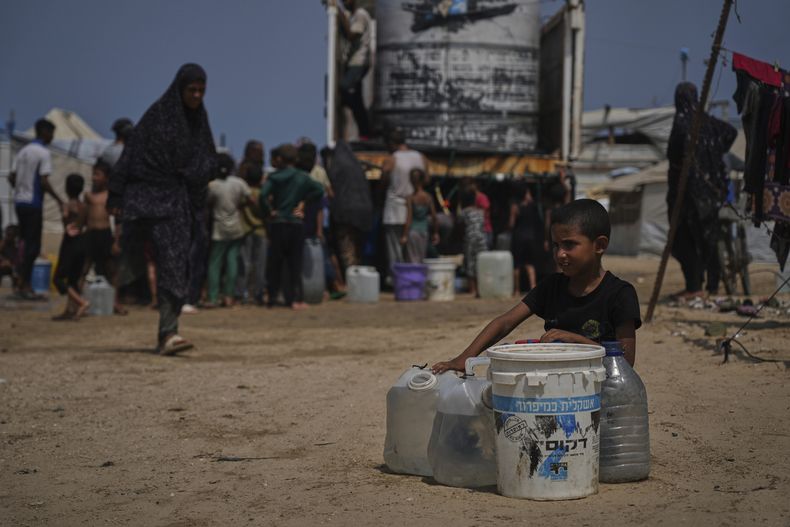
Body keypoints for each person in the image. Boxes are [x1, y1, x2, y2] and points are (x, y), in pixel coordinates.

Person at [433, 199, 642, 374]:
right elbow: (505, 323)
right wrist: (464, 358)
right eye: (555, 245)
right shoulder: (551, 287)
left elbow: (625, 362)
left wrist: (574, 340)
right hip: (554, 384)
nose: (560, 254)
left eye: (569, 245)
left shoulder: (620, 294)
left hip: (598, 393)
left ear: (599, 245)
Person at [108, 63, 217, 355]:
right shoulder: (156, 117)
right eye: (191, 90)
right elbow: (131, 156)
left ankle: (169, 332)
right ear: (179, 89)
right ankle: (164, 330)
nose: (196, 96)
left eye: (201, 91)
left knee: (174, 265)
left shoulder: (199, 121)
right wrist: (116, 194)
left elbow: (207, 157)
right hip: (148, 201)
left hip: (178, 205)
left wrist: (198, 173)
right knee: (137, 264)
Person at [667, 82, 737, 299]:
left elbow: (672, 154)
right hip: (712, 191)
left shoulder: (682, 122)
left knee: (681, 239)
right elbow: (731, 131)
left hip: (687, 194)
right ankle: (712, 287)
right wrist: (714, 152)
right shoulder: (709, 122)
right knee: (709, 238)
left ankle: (694, 286)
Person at [260, 144, 324, 310]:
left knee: (276, 262)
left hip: (278, 222)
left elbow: (262, 196)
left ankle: (272, 298)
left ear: (280, 159)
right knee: (295, 263)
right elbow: (319, 190)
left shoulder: (274, 178)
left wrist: (270, 211)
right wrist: (304, 203)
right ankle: (295, 298)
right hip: (296, 223)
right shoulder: (302, 177)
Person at [9, 118, 62, 299]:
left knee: (23, 243)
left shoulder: (23, 151)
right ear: (44, 132)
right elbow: (43, 180)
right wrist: (59, 200)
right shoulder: (42, 153)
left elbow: (11, 177)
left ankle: (20, 281)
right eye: (51, 133)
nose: (52, 138)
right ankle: (25, 284)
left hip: (20, 202)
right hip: (33, 203)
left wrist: (20, 189)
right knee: (33, 246)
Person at [206, 153, 251, 307]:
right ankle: (229, 297)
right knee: (232, 261)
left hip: (219, 228)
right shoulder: (239, 183)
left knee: (215, 263)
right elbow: (251, 199)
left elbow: (207, 202)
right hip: (236, 227)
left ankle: (212, 297)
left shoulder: (213, 185)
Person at [82, 160, 126, 315]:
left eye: (97, 175)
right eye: (93, 174)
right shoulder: (88, 196)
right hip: (90, 235)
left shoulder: (110, 196)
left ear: (106, 178)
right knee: (84, 269)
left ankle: (115, 302)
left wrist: (116, 241)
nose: (94, 178)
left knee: (112, 271)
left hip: (105, 235)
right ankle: (80, 302)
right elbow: (83, 217)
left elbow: (117, 221)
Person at [382, 130, 426, 274]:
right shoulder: (421, 157)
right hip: (415, 209)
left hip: (394, 210)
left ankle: (397, 280)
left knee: (395, 249)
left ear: (391, 143)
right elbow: (428, 180)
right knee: (413, 251)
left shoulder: (391, 159)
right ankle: (413, 279)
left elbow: (383, 181)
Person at [330, 0, 372, 139]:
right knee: (357, 101)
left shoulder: (360, 15)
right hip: (353, 62)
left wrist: (339, 13)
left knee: (344, 87)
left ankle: (357, 114)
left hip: (359, 62)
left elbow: (351, 35)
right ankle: (365, 133)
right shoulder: (352, 16)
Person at [53, 174, 89, 320]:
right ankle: (70, 310)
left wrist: (65, 213)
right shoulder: (85, 207)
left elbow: (66, 224)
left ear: (67, 188)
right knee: (73, 279)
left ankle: (82, 303)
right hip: (82, 242)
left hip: (70, 243)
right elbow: (85, 225)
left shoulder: (67, 205)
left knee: (58, 279)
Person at [401, 168, 438, 263]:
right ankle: (420, 277)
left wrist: (404, 235)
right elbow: (434, 217)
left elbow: (409, 217)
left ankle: (413, 277)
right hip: (424, 231)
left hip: (413, 231)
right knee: (421, 258)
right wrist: (435, 233)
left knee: (412, 259)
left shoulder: (410, 197)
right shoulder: (428, 197)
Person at [509, 184, 541, 293]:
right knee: (530, 263)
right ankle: (533, 287)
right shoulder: (532, 205)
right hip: (530, 237)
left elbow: (511, 224)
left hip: (518, 237)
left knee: (517, 264)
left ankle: (517, 289)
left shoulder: (515, 207)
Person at [458, 188, 487, 297]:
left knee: (470, 263)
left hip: (470, 240)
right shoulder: (480, 212)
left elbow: (459, 226)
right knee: (481, 264)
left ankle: (473, 289)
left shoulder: (464, 212)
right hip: (482, 239)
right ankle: (482, 289)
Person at [0, 225, 20, 290]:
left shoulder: (16, 244)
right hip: (4, 265)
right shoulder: (3, 243)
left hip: (13, 266)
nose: (8, 236)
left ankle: (16, 287)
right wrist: (4, 260)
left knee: (16, 271)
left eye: (10, 235)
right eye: (7, 234)